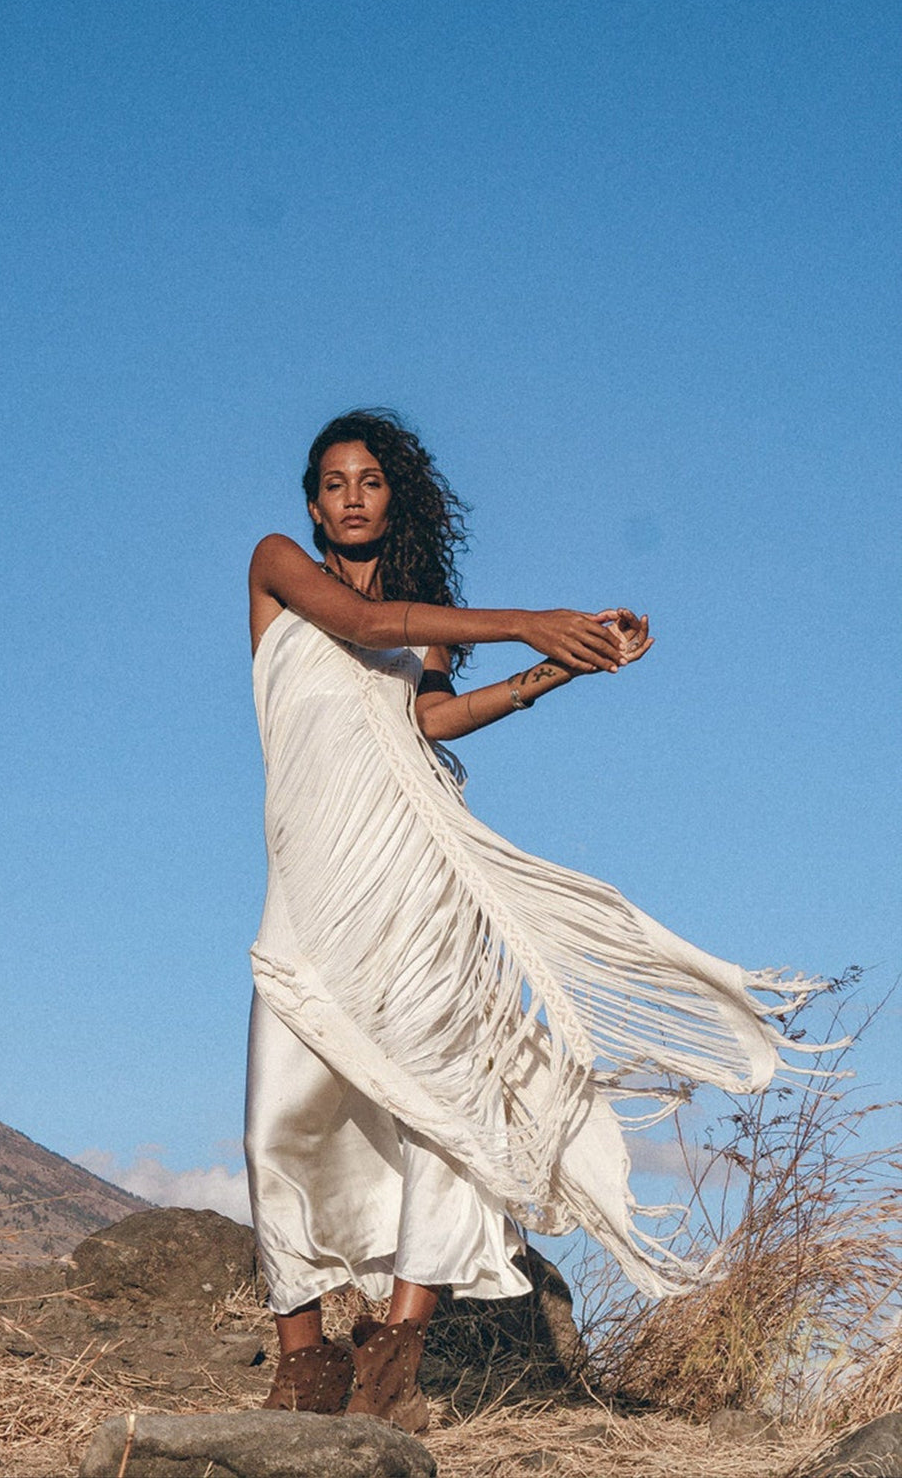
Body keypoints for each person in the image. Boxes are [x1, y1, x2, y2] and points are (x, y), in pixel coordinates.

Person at [244, 410, 822, 1431]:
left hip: (407, 875)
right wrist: (525, 619)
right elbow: (363, 629)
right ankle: (302, 1353)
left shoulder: (423, 620)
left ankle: (394, 1348)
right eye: (333, 481)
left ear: (393, 498)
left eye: (369, 480)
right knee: (279, 1111)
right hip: (312, 878)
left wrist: (558, 667)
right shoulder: (282, 566)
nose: (350, 496)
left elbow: (425, 718)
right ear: (311, 501)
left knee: (444, 1098)